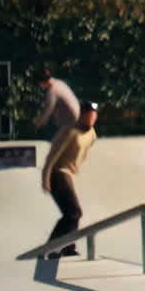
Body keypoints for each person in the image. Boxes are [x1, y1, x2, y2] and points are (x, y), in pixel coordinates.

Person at [40, 101, 97, 259]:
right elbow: (51, 157)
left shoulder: (92, 134)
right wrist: (45, 178)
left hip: (68, 174)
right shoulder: (69, 132)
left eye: (93, 116)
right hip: (57, 173)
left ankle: (67, 247)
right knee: (73, 212)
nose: (91, 119)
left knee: (72, 213)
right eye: (88, 116)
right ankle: (52, 247)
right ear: (82, 116)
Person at [32, 67, 81, 133]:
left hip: (72, 123)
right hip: (78, 117)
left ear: (42, 83)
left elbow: (46, 114)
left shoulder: (52, 92)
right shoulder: (59, 83)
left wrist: (36, 124)